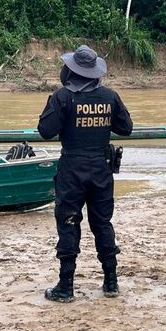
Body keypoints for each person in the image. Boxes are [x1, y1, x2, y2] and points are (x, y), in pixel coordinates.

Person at [37, 45, 133, 302]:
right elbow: (126, 127)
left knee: (68, 222)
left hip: (72, 168)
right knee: (102, 223)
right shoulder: (110, 96)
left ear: (70, 70)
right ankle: (111, 282)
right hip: (101, 167)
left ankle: (66, 287)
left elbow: (45, 130)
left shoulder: (62, 97)